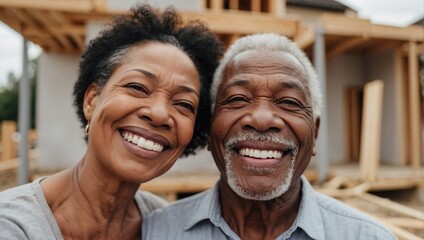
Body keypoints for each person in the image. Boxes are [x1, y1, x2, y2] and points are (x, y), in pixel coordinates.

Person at [142, 33, 396, 240]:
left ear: (315, 133)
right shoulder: (156, 231)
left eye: (288, 101)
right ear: (210, 131)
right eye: (238, 99)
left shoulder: (368, 236)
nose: (262, 120)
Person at [0, 4, 221, 240]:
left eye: (184, 104)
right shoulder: (13, 226)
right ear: (91, 101)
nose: (158, 114)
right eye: (137, 87)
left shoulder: (166, 224)